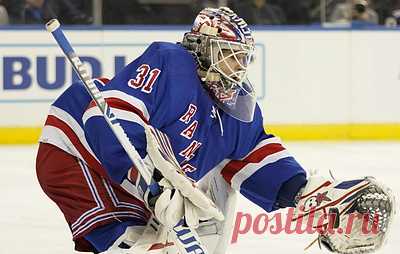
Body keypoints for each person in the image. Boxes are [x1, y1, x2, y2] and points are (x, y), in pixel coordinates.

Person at [36, 6, 394, 254]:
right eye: (230, 55)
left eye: (243, 58)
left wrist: (302, 191)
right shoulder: (170, 64)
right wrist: (150, 183)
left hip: (134, 178)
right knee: (136, 244)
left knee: (179, 233)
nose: (238, 67)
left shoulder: (237, 103)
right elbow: (109, 116)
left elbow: (251, 152)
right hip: (76, 151)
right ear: (204, 47)